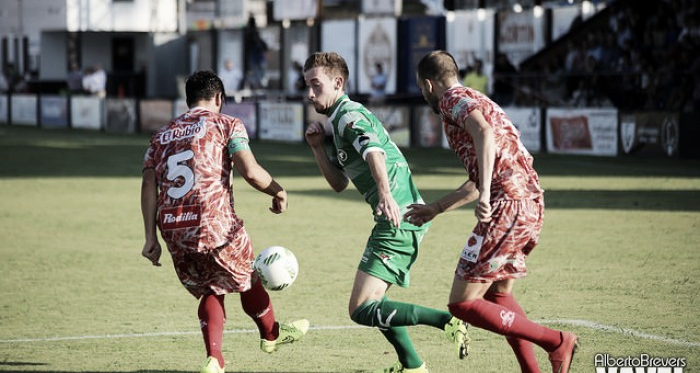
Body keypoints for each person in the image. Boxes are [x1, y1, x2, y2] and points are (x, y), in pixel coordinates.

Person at [407, 50, 579, 373]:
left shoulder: (450, 100)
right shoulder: (479, 98)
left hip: (507, 206)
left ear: (428, 85)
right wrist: (436, 208)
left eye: (420, 88)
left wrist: (486, 193)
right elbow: (480, 173)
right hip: (529, 203)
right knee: (499, 295)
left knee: (461, 303)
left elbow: (483, 134)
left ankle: (556, 341)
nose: (423, 94)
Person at [302, 52, 468, 373]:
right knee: (375, 303)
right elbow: (338, 184)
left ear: (338, 83)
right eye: (306, 85)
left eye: (315, 84)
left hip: (398, 217)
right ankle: (412, 365)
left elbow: (374, 151)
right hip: (397, 216)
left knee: (361, 308)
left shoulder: (349, 116)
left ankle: (447, 322)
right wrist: (317, 148)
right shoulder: (337, 122)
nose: (309, 93)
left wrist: (386, 195)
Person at [141, 70, 309, 373]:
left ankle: (214, 359)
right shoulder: (227, 124)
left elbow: (148, 186)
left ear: (188, 99)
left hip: (174, 228)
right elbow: (251, 171)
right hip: (215, 223)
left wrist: (150, 238)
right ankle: (271, 334)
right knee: (247, 277)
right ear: (219, 98)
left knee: (210, 289)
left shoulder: (161, 135)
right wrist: (278, 191)